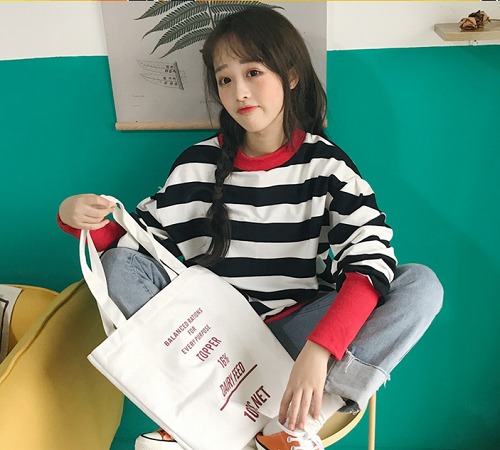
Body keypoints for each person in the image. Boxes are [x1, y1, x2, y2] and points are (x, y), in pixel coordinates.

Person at [58, 6, 443, 450]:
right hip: (212, 346)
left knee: (419, 284)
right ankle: (204, 419)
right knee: (117, 264)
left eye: (254, 72)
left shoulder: (326, 165)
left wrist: (319, 351)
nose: (239, 91)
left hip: (299, 334)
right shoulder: (196, 165)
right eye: (225, 79)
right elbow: (135, 251)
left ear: (291, 76)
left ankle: (302, 420)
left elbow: (370, 257)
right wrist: (76, 218)